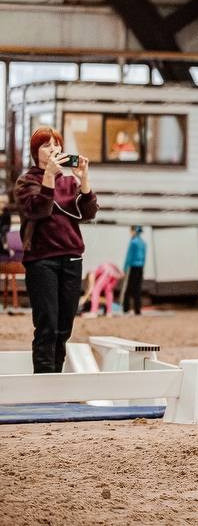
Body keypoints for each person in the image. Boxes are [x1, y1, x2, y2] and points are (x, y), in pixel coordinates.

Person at [12, 126, 97, 373]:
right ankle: (43, 384)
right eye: (47, 145)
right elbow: (38, 210)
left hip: (71, 258)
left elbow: (88, 213)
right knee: (46, 324)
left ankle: (55, 381)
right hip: (41, 260)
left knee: (64, 327)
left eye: (57, 144)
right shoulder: (26, 181)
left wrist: (84, 180)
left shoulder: (69, 181)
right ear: (35, 151)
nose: (54, 149)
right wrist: (48, 176)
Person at [121, 225, 146, 315]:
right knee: (138, 288)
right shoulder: (143, 243)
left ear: (134, 231)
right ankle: (137, 310)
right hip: (141, 267)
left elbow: (129, 256)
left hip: (133, 267)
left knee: (129, 288)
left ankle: (126, 308)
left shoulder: (133, 242)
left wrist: (125, 268)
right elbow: (144, 257)